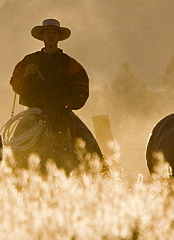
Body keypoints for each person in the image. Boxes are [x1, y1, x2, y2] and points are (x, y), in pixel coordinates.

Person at [9, 18, 104, 162]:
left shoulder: (70, 63)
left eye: (54, 33)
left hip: (62, 112)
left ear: (59, 37)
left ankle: (100, 170)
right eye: (47, 33)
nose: (51, 36)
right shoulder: (29, 61)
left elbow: (81, 87)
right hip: (34, 111)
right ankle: (13, 169)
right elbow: (15, 84)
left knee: (89, 144)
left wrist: (69, 104)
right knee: (15, 146)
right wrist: (26, 74)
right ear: (42, 37)